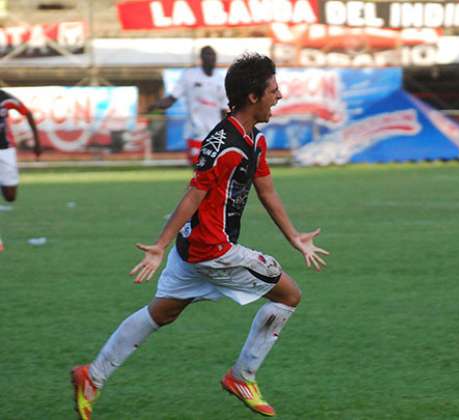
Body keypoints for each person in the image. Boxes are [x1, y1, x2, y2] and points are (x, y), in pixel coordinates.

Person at [71, 53, 329, 419]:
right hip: (213, 250)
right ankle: (242, 376)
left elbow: (267, 192)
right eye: (273, 90)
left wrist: (295, 237)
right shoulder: (226, 145)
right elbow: (193, 194)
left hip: (192, 248)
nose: (280, 95)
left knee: (162, 312)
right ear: (253, 97)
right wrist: (158, 245)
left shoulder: (253, 142)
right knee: (289, 294)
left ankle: (91, 376)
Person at [149, 46, 229, 165]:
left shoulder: (221, 79)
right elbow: (172, 98)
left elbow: (224, 108)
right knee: (198, 166)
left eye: (212, 55)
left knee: (214, 166)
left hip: (214, 131)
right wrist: (156, 105)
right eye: (207, 55)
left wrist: (226, 129)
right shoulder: (189, 75)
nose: (210, 58)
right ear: (201, 58)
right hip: (195, 130)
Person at [0, 89, 41, 252]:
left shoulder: (4, 98)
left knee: (11, 196)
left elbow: (27, 113)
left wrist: (37, 141)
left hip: (5, 150)